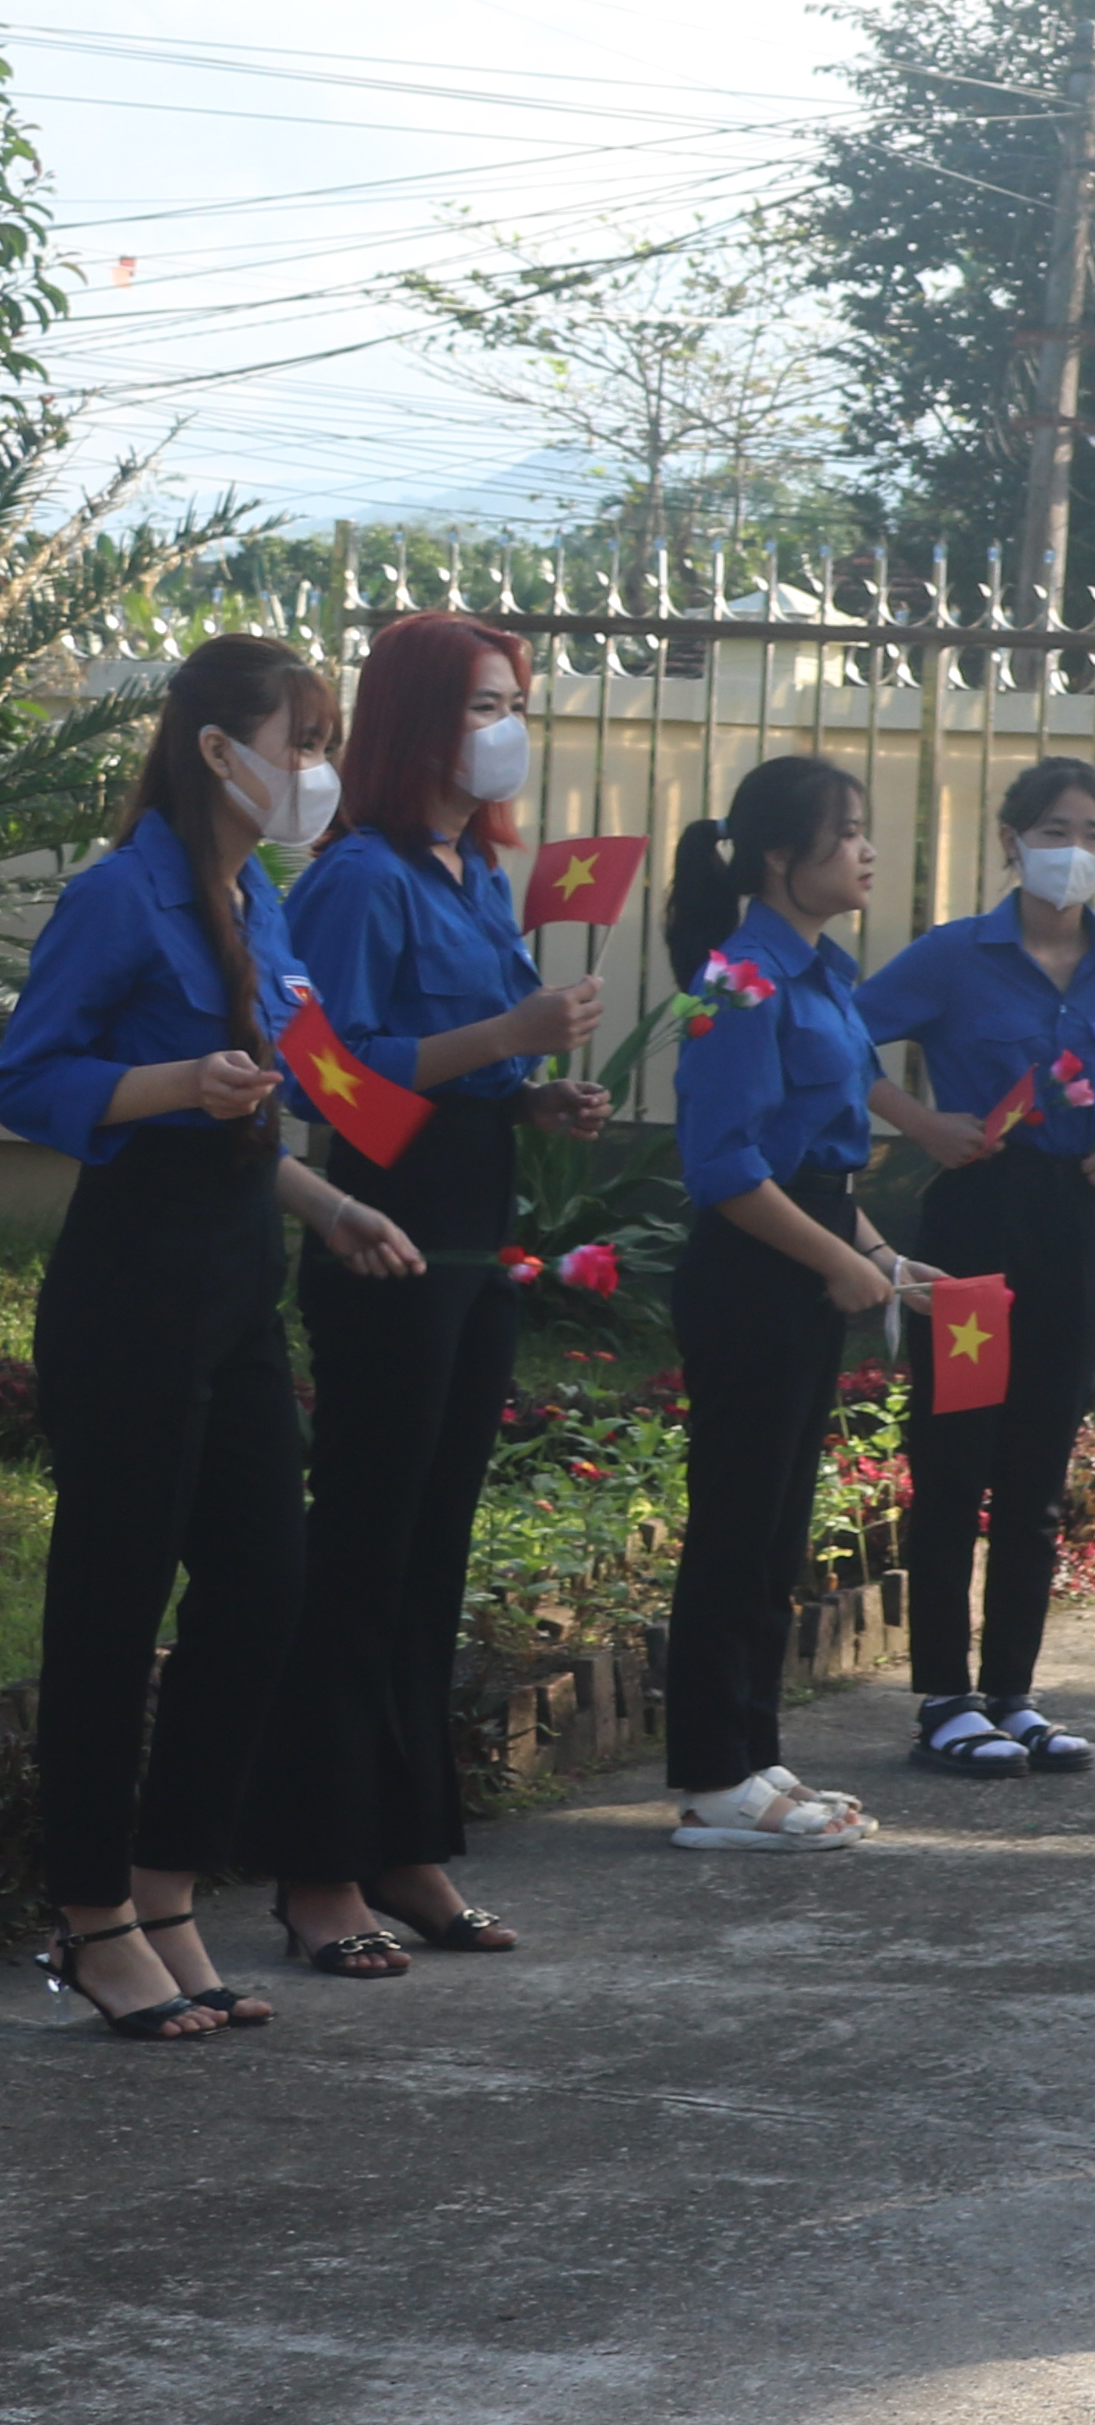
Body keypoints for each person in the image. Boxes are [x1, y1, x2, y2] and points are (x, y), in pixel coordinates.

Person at [2, 636, 425, 2039]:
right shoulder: (121, 894)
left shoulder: (264, 898)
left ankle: (165, 1879)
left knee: (262, 1582)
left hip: (241, 1262)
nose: (313, 769)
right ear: (215, 747)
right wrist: (173, 1078)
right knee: (112, 1600)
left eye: (321, 741)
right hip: (135, 1274)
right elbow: (32, 1073)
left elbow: (284, 1089)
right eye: (296, 740)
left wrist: (327, 1200)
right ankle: (91, 1914)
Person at [257, 613, 609, 1977]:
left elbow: (454, 1068)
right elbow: (322, 1074)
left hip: (474, 1227)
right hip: (380, 1232)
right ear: (415, 720)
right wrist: (500, 1037)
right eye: (480, 701)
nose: (505, 721)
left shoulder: (475, 872)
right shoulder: (357, 877)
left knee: (430, 1551)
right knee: (362, 1547)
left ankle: (404, 1844)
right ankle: (317, 1869)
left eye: (516, 699)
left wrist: (529, 1091)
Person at [860, 759, 1095, 1782]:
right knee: (956, 1459)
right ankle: (942, 1699)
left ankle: (1013, 1695)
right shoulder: (951, 957)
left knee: (1037, 1472)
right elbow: (839, 1036)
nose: (1077, 849)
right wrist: (921, 1123)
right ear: (1010, 842)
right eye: (1055, 829)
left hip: (1068, 1222)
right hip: (974, 1219)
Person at [658, 755, 935, 1853]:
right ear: (781, 855)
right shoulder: (739, 978)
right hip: (750, 1273)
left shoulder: (823, 970)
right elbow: (723, 1165)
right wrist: (834, 1259)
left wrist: (884, 1256)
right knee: (734, 1523)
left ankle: (751, 1751)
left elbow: (825, 1161)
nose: (867, 851)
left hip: (807, 1247)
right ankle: (710, 1780)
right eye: (848, 832)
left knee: (776, 1531)